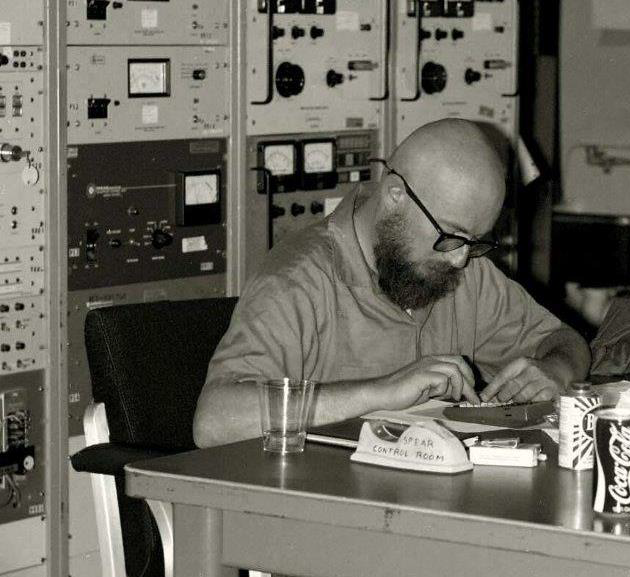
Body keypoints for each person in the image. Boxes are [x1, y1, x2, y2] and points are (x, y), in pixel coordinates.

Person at [193, 119, 590, 447]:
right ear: (396, 195)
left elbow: (564, 341)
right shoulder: (298, 280)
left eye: (476, 241)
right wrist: (382, 392)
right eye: (450, 236)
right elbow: (213, 422)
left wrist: (554, 369)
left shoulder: (463, 271)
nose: (460, 258)